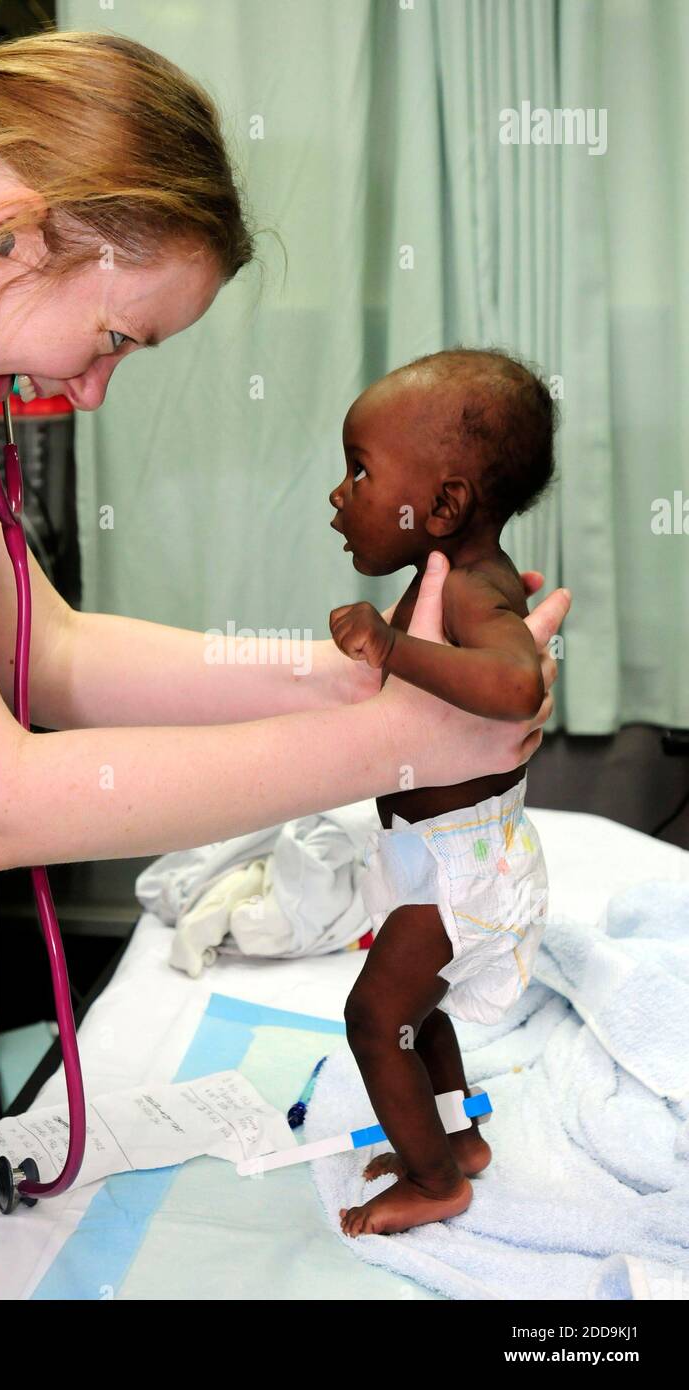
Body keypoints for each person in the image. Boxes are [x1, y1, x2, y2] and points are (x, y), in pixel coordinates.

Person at [0, 16, 570, 1297]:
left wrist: (355, 675)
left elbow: (40, 652)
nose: (93, 390)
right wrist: (400, 738)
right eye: (116, 338)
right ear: (11, 229)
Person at [328, 349, 558, 1237]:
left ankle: (433, 1184)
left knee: (373, 1017)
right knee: (418, 1015)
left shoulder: (467, 592)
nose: (339, 495)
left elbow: (514, 688)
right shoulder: (440, 580)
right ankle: (456, 1140)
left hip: (464, 865)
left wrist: (392, 652)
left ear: (446, 503)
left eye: (359, 470)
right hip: (439, 856)